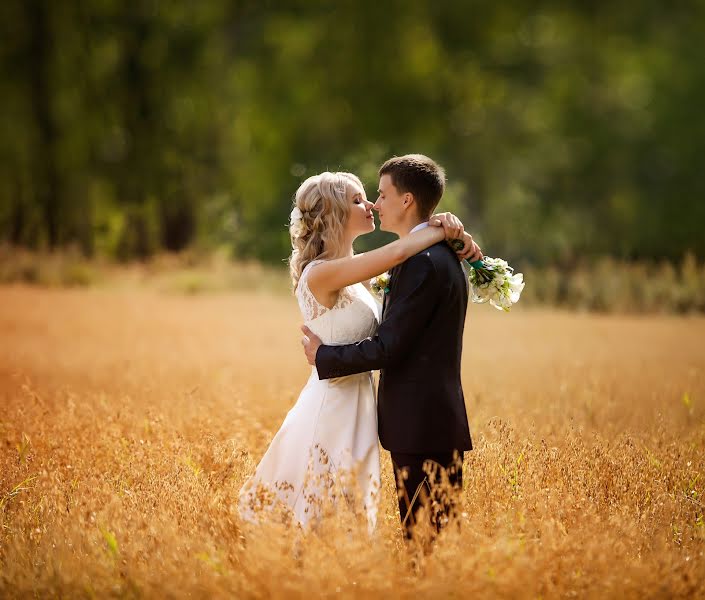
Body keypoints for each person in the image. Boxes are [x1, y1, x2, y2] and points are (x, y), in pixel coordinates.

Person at [238, 168, 481, 533]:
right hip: (332, 405)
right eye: (356, 199)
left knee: (350, 512)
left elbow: (404, 279)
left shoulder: (355, 272)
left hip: (361, 405)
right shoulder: (319, 274)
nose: (370, 204)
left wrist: (451, 234)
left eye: (371, 196)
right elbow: (401, 251)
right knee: (321, 510)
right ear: (334, 214)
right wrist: (437, 229)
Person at [301, 155, 477, 544]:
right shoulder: (421, 257)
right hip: (414, 420)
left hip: (422, 424)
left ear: (407, 200)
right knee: (430, 543)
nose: (375, 205)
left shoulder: (422, 262)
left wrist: (324, 357)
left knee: (427, 544)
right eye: (365, 198)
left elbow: (390, 346)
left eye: (380, 195)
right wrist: (449, 231)